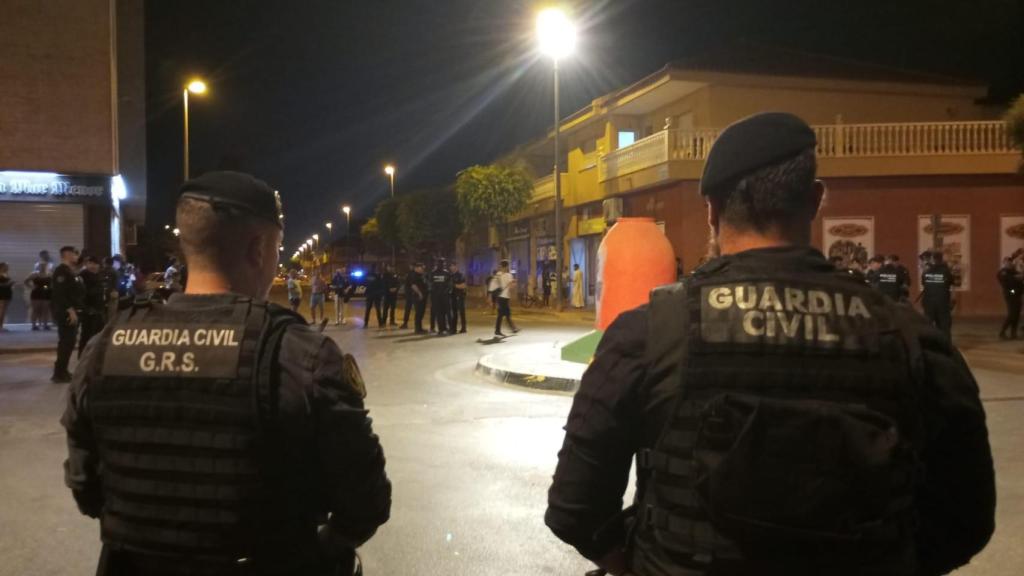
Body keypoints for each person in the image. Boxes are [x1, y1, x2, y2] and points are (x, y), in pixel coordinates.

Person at [545, 113, 995, 576]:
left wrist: (638, 562)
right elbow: (966, 519)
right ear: (814, 200)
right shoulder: (907, 335)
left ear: (711, 210)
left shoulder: (651, 332)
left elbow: (575, 507)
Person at [62, 170, 391, 576]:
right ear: (259, 249)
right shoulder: (299, 354)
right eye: (278, 248)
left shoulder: (105, 347)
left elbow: (86, 489)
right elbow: (366, 502)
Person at [50, 245, 84, 383]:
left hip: (72, 311)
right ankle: (59, 373)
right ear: (67, 255)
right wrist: (70, 310)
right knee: (66, 342)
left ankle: (63, 371)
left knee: (69, 342)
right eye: (75, 254)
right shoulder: (61, 272)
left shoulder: (70, 271)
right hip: (66, 313)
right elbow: (60, 294)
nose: (76, 256)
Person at [77, 255, 106, 358]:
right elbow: (81, 294)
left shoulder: (99, 275)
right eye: (91, 263)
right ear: (87, 264)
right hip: (89, 310)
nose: (93, 266)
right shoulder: (83, 275)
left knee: (98, 335)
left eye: (95, 264)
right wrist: (87, 309)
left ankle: (94, 357)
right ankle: (82, 357)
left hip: (99, 309)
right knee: (86, 335)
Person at [921, 251, 955, 337]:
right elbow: (952, 286)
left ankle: (929, 343)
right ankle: (945, 343)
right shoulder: (946, 271)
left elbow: (924, 284)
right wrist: (952, 300)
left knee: (928, 325)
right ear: (941, 259)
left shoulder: (926, 272)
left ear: (933, 259)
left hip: (928, 303)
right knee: (944, 326)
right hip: (943, 303)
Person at [997, 256, 1023, 339]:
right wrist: (1017, 278)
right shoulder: (1002, 272)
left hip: (1018, 295)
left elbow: (1020, 281)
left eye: (1010, 262)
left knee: (1017, 315)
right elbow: (1008, 283)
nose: (1009, 263)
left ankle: (1013, 333)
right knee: (1012, 314)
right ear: (1004, 263)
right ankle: (1002, 332)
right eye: (1007, 262)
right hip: (1010, 294)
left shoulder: (1014, 271)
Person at [28, 250, 53, 330]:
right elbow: (26, 281)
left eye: (44, 266)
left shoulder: (50, 274)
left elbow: (54, 282)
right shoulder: (34, 274)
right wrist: (31, 287)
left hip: (47, 292)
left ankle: (45, 324)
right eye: (41, 265)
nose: (43, 267)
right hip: (36, 292)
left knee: (46, 309)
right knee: (36, 309)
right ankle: (34, 325)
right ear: (38, 266)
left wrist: (51, 288)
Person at [494, 260, 518, 337]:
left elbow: (495, 284)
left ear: (501, 266)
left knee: (502, 314)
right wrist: (513, 283)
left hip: (500, 296)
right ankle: (511, 328)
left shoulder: (498, 274)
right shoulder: (509, 275)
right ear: (507, 266)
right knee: (505, 314)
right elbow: (511, 287)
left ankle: (499, 330)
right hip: (505, 296)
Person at [429, 259, 452, 335]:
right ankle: (444, 328)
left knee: (442, 313)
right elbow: (449, 285)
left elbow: (449, 284)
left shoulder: (434, 273)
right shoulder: (445, 273)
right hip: (441, 296)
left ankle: (443, 328)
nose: (442, 265)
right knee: (443, 313)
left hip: (439, 296)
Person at [363, 265, 384, 329]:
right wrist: (381, 294)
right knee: (377, 309)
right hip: (376, 295)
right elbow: (381, 285)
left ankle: (366, 323)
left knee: (368, 309)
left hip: (370, 294)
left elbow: (365, 283)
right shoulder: (378, 276)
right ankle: (380, 323)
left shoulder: (368, 275)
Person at [409, 263, 428, 334]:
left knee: (421, 312)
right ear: (417, 268)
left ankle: (420, 328)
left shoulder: (421, 275)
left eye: (423, 268)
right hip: (418, 296)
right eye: (421, 268)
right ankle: (417, 329)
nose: (423, 269)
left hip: (423, 296)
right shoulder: (414, 275)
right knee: (419, 312)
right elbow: (413, 285)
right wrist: (419, 293)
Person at [450, 262, 468, 333]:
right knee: (454, 313)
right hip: (452, 296)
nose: (452, 267)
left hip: (460, 296)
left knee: (461, 312)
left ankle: (463, 328)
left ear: (457, 267)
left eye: (453, 266)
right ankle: (453, 328)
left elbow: (463, 286)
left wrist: (454, 285)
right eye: (451, 266)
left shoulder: (461, 275)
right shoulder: (450, 275)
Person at [0, 262, 12, 331]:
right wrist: (6, 284)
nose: (8, 267)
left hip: (7, 292)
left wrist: (10, 284)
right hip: (1, 292)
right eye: (6, 266)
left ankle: (1, 325)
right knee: (1, 309)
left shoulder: (6, 274)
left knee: (4, 310)